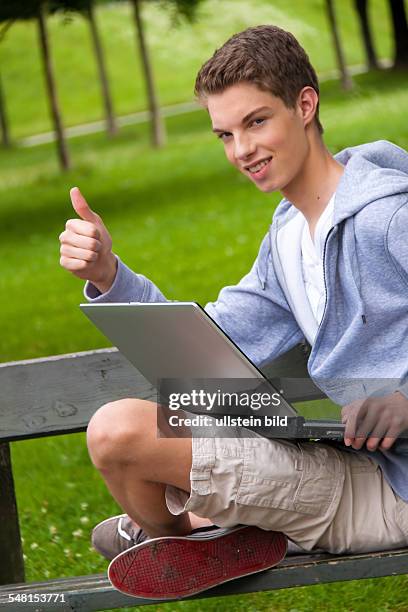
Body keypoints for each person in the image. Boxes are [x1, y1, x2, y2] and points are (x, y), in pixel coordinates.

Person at [59, 25, 408, 600]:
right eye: (225, 134)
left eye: (256, 122)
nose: (242, 151)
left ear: (304, 104)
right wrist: (107, 274)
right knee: (122, 431)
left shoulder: (387, 220)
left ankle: (194, 533)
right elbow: (209, 342)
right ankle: (200, 535)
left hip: (394, 495)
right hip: (359, 466)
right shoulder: (290, 236)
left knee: (118, 433)